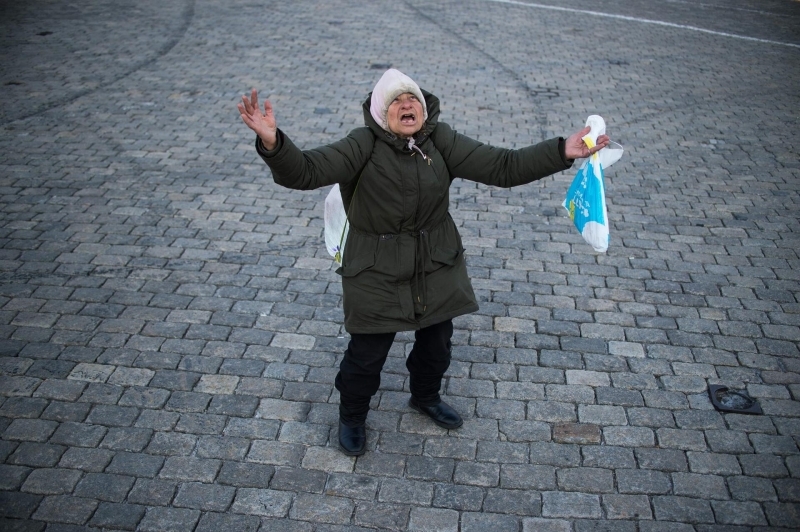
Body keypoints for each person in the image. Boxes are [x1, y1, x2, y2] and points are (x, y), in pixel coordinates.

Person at [237, 68, 609, 456]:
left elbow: (504, 166)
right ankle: (352, 416)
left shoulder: (440, 140)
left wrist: (563, 151)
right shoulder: (362, 144)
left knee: (437, 344)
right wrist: (273, 143)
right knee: (367, 355)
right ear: (382, 113)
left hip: (435, 260)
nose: (406, 105)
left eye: (412, 98)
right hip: (375, 266)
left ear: (423, 108)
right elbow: (306, 171)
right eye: (396, 101)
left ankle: (425, 397)